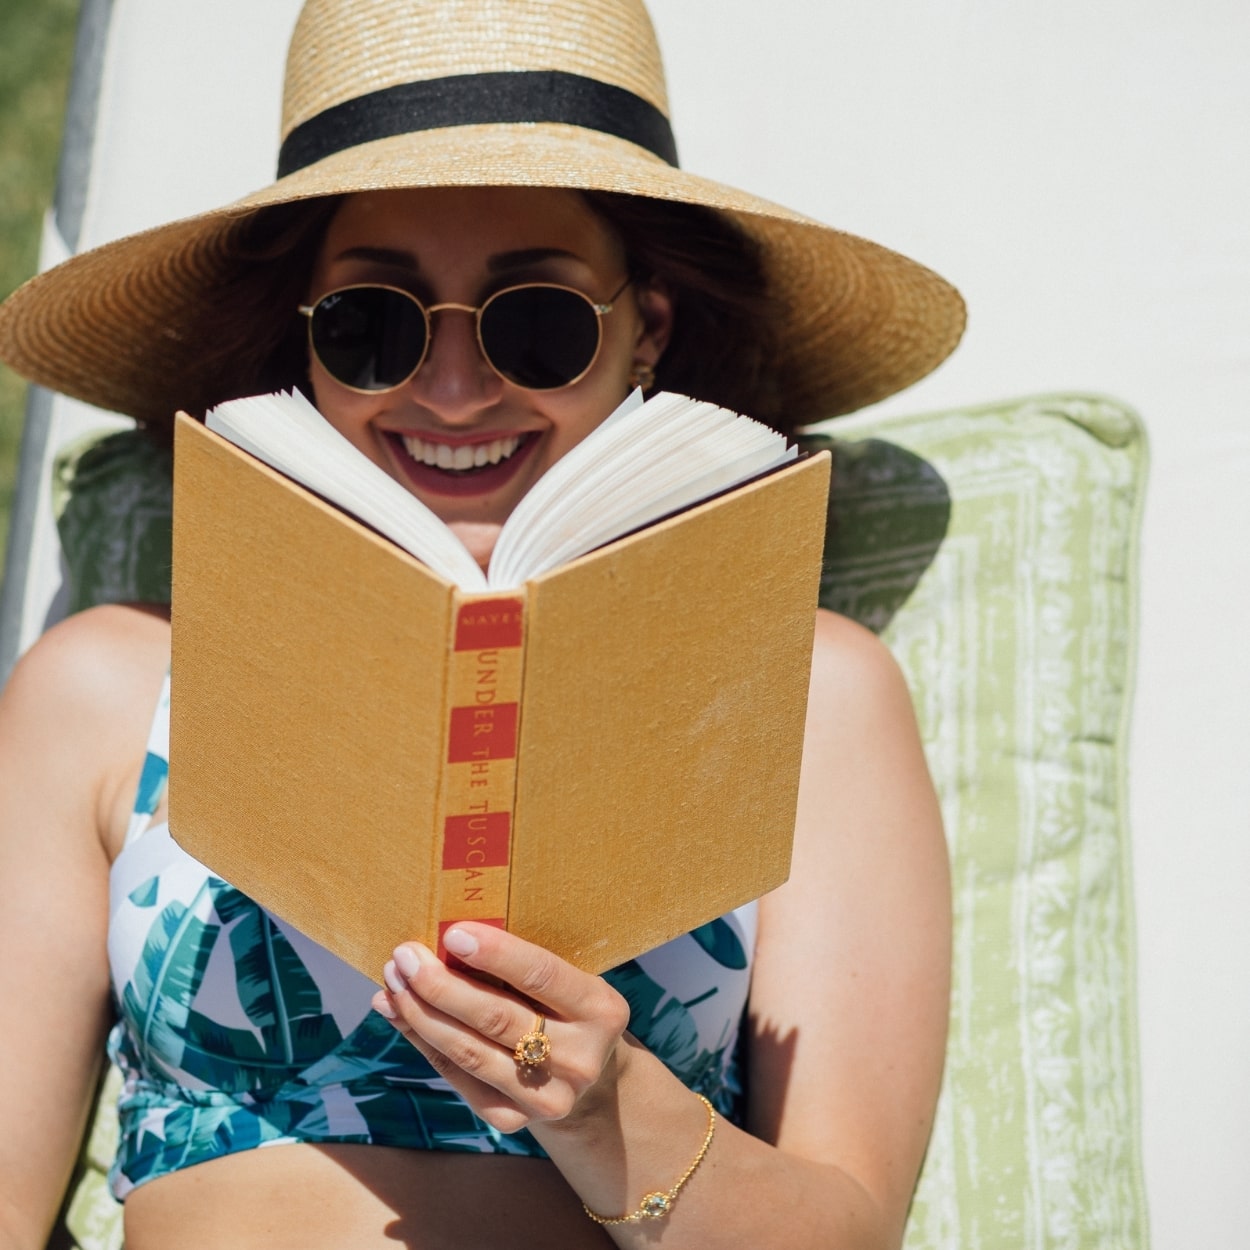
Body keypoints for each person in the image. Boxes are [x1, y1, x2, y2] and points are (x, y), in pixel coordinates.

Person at [0, 1, 962, 1247]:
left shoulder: (807, 694)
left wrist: (610, 1108)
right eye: (372, 323)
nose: (452, 390)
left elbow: (844, 1226)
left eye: (538, 321)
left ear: (645, 333)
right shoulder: (104, 690)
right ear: (300, 344)